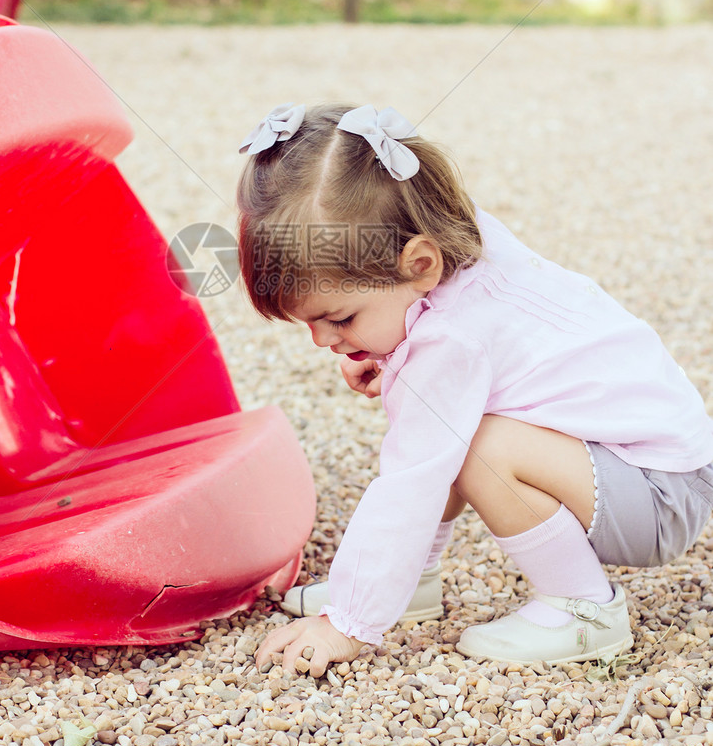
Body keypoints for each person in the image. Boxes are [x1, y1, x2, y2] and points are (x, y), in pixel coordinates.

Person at [236, 102, 713, 677]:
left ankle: (585, 608)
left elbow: (410, 482)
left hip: (658, 497)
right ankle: (407, 580)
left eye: (340, 318)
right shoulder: (451, 237)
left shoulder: (450, 343)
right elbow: (501, 350)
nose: (321, 340)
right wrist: (386, 350)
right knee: (450, 428)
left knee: (469, 443)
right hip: (660, 467)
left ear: (420, 265)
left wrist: (349, 621)